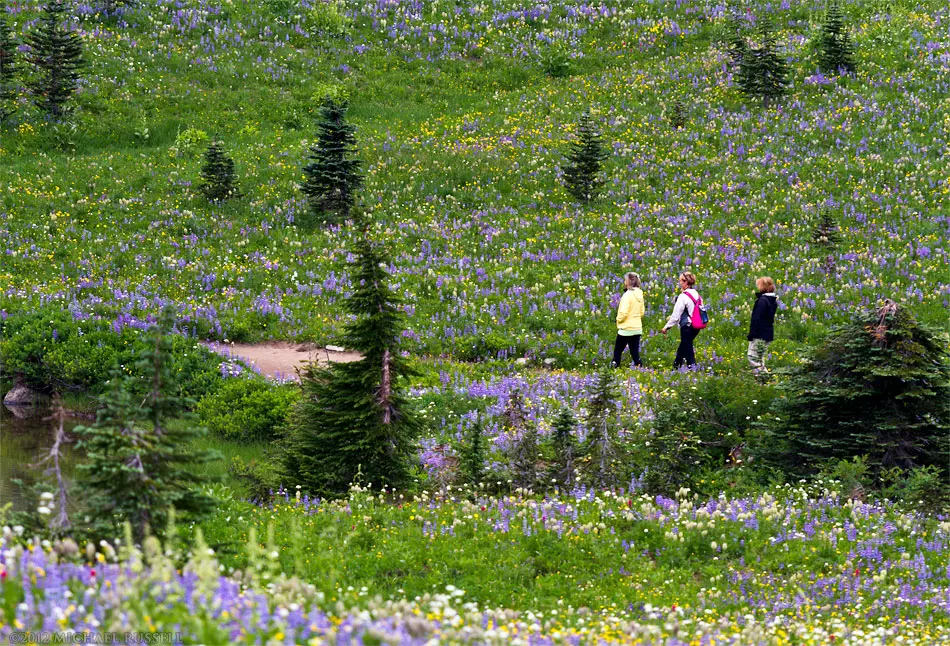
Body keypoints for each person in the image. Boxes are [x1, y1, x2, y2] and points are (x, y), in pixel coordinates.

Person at [660, 271, 703, 369]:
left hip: (687, 326)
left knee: (688, 349)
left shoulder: (683, 296)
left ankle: (692, 368)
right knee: (683, 346)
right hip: (696, 326)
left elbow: (676, 315)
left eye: (681, 281)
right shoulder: (697, 294)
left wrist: (666, 327)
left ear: (685, 282)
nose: (679, 283)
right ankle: (676, 366)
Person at [747, 276, 778, 376]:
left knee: (752, 356)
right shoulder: (772, 300)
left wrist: (752, 334)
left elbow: (757, 319)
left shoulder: (762, 301)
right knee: (760, 357)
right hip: (768, 333)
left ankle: (764, 378)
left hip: (759, 334)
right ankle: (763, 380)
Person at [613, 272, 644, 367]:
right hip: (637, 328)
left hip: (626, 328)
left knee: (618, 350)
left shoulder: (627, 295)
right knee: (634, 352)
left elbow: (623, 312)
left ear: (628, 282)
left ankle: (614, 366)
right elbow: (642, 312)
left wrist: (619, 320)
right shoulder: (640, 294)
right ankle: (640, 367)